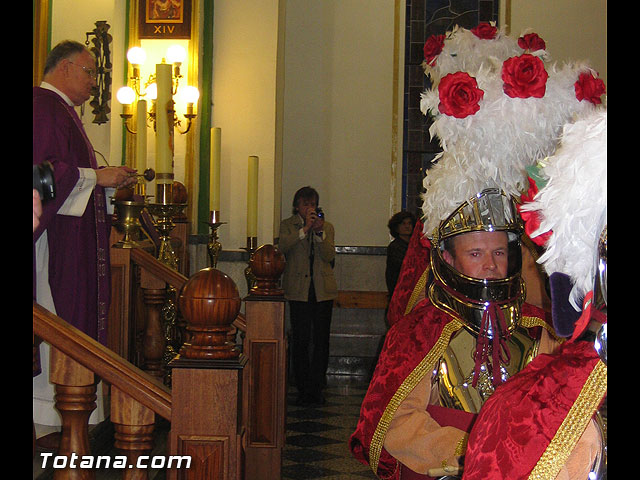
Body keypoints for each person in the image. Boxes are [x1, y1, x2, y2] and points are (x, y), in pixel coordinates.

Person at [349, 188, 560, 479]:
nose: (491, 264)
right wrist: (469, 454)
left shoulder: (537, 328)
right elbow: (396, 423)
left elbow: (555, 409)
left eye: (498, 252)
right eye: (476, 253)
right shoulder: (418, 332)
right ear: (448, 259)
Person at [33, 40, 137, 441]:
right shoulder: (43, 106)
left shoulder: (63, 112)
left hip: (68, 241)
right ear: (63, 68)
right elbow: (40, 175)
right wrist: (97, 177)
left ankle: (68, 418)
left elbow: (67, 176)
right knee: (56, 319)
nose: (95, 81)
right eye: (90, 71)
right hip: (51, 248)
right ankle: (51, 417)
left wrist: (106, 184)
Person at [278, 186, 338, 406]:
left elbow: (330, 255)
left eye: (312, 204)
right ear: (297, 206)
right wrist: (304, 229)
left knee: (321, 340)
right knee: (301, 339)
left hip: (322, 291)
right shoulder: (288, 226)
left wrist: (319, 233)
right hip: (299, 290)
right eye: (305, 204)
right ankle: (302, 386)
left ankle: (317, 386)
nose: (309, 208)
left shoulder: (327, 227)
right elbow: (283, 247)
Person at [385, 211, 417, 296]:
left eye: (410, 223)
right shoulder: (395, 247)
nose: (407, 226)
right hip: (399, 293)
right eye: (403, 224)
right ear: (396, 227)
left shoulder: (415, 245)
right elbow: (405, 266)